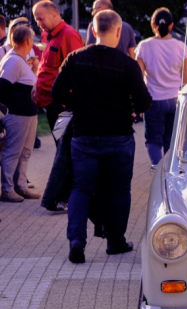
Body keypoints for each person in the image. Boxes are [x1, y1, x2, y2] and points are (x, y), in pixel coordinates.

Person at [52, 10, 152, 264]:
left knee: (81, 188)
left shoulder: (75, 59)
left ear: (94, 31)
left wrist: (77, 103)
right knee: (119, 190)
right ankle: (115, 240)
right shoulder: (127, 65)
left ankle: (77, 241)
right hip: (119, 137)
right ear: (119, 32)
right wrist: (129, 106)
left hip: (84, 136)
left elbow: (57, 93)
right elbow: (143, 102)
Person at [135, 8, 187, 168]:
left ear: (153, 25)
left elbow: (139, 77)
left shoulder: (143, 46)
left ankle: (156, 167)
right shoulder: (182, 47)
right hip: (175, 100)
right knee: (170, 140)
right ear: (172, 25)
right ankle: (168, 170)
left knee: (153, 140)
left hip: (153, 100)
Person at [0, 26, 40, 203]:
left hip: (28, 114)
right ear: (28, 41)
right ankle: (7, 188)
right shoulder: (13, 61)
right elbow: (3, 87)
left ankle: (21, 185)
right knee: (13, 151)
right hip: (17, 114)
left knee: (25, 151)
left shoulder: (20, 60)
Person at [32, 0, 83, 133]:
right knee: (61, 146)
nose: (38, 24)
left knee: (64, 147)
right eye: (37, 20)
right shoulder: (54, 36)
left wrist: (66, 103)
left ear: (54, 14)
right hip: (52, 104)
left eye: (41, 19)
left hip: (61, 106)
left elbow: (76, 72)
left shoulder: (68, 35)